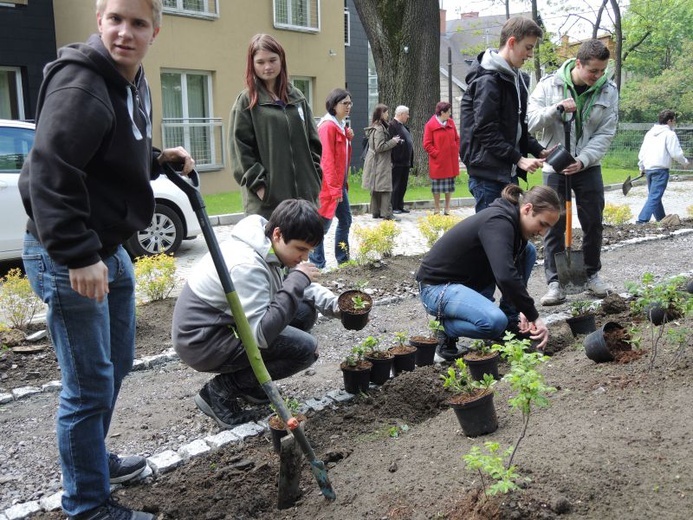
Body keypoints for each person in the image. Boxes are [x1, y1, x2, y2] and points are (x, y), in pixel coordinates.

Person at [18, 1, 195, 519]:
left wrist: (159, 157)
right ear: (99, 21)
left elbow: (115, 147)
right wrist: (76, 254)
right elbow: (50, 174)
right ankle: (87, 505)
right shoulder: (82, 85)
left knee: (114, 367)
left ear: (154, 31)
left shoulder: (129, 81)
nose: (125, 32)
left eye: (138, 23)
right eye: (115, 19)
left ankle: (92, 459)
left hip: (107, 249)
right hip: (69, 255)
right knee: (88, 383)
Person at [172, 199, 343, 429]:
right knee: (306, 350)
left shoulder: (268, 243)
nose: (304, 258)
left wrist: (336, 305)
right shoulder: (247, 265)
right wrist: (297, 280)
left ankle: (250, 385)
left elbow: (296, 280)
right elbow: (260, 335)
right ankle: (220, 391)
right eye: (301, 249)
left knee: (303, 312)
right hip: (202, 341)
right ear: (278, 234)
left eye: (309, 251)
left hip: (224, 327)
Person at [416, 185, 561, 360]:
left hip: (465, 284)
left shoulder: (514, 223)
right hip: (437, 288)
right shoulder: (498, 222)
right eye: (542, 224)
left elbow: (509, 274)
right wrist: (533, 316)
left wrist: (521, 309)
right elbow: (505, 276)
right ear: (527, 209)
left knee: (528, 251)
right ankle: (445, 329)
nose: (543, 232)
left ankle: (510, 320)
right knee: (494, 323)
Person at [528, 38, 619, 305]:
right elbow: (530, 121)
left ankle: (591, 274)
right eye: (593, 71)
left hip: (588, 166)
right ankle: (555, 283)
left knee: (593, 222)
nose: (598, 76)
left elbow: (606, 132)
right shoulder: (549, 85)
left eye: (603, 71)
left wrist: (583, 160)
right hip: (555, 166)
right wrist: (556, 110)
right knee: (552, 224)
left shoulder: (608, 91)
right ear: (578, 64)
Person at [459, 16, 548, 214]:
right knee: (494, 237)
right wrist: (518, 158)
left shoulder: (515, 78)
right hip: (488, 176)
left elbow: (515, 127)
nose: (531, 54)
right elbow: (485, 130)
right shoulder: (488, 81)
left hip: (507, 172)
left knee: (510, 235)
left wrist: (538, 150)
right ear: (511, 42)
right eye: (528, 47)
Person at [229, 33, 322, 219]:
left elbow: (313, 141)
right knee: (271, 249)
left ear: (282, 60)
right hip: (267, 203)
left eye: (272, 60)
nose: (268, 67)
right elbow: (240, 150)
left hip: (304, 200)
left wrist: (315, 177)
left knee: (302, 247)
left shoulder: (297, 97)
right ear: (252, 64)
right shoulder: (247, 101)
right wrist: (260, 186)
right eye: (260, 62)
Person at [309, 88, 354, 269]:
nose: (348, 106)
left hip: (338, 184)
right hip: (328, 186)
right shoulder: (328, 126)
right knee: (321, 226)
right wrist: (335, 188)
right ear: (334, 105)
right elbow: (326, 160)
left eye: (350, 103)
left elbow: (341, 157)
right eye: (344, 103)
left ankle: (343, 260)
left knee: (345, 220)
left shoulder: (340, 125)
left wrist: (347, 139)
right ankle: (317, 263)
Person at [636, 109, 689, 224]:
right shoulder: (669, 134)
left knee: (654, 196)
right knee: (655, 196)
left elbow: (642, 152)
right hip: (661, 169)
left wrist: (642, 167)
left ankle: (661, 219)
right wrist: (684, 162)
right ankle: (641, 220)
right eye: (674, 120)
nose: (674, 123)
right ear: (669, 120)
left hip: (649, 168)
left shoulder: (649, 133)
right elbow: (675, 153)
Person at [362, 103, 401, 220]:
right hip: (380, 162)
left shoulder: (377, 126)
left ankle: (375, 211)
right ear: (381, 113)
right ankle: (386, 213)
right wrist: (394, 141)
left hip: (376, 161)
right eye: (386, 112)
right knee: (385, 187)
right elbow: (379, 147)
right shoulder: (379, 129)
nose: (388, 114)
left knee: (376, 187)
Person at [423, 101, 460, 215]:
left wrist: (455, 149)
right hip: (438, 162)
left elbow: (457, 138)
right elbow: (427, 144)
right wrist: (436, 154)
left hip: (450, 160)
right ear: (442, 112)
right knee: (437, 187)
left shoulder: (451, 123)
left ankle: (447, 208)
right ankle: (437, 207)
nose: (450, 114)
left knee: (449, 186)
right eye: (448, 112)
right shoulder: (430, 125)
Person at [389, 105, 414, 214]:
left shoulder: (403, 126)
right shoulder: (392, 125)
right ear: (401, 114)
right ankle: (394, 206)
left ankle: (400, 205)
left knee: (403, 185)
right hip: (397, 161)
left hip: (405, 161)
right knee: (396, 184)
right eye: (406, 114)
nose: (408, 116)